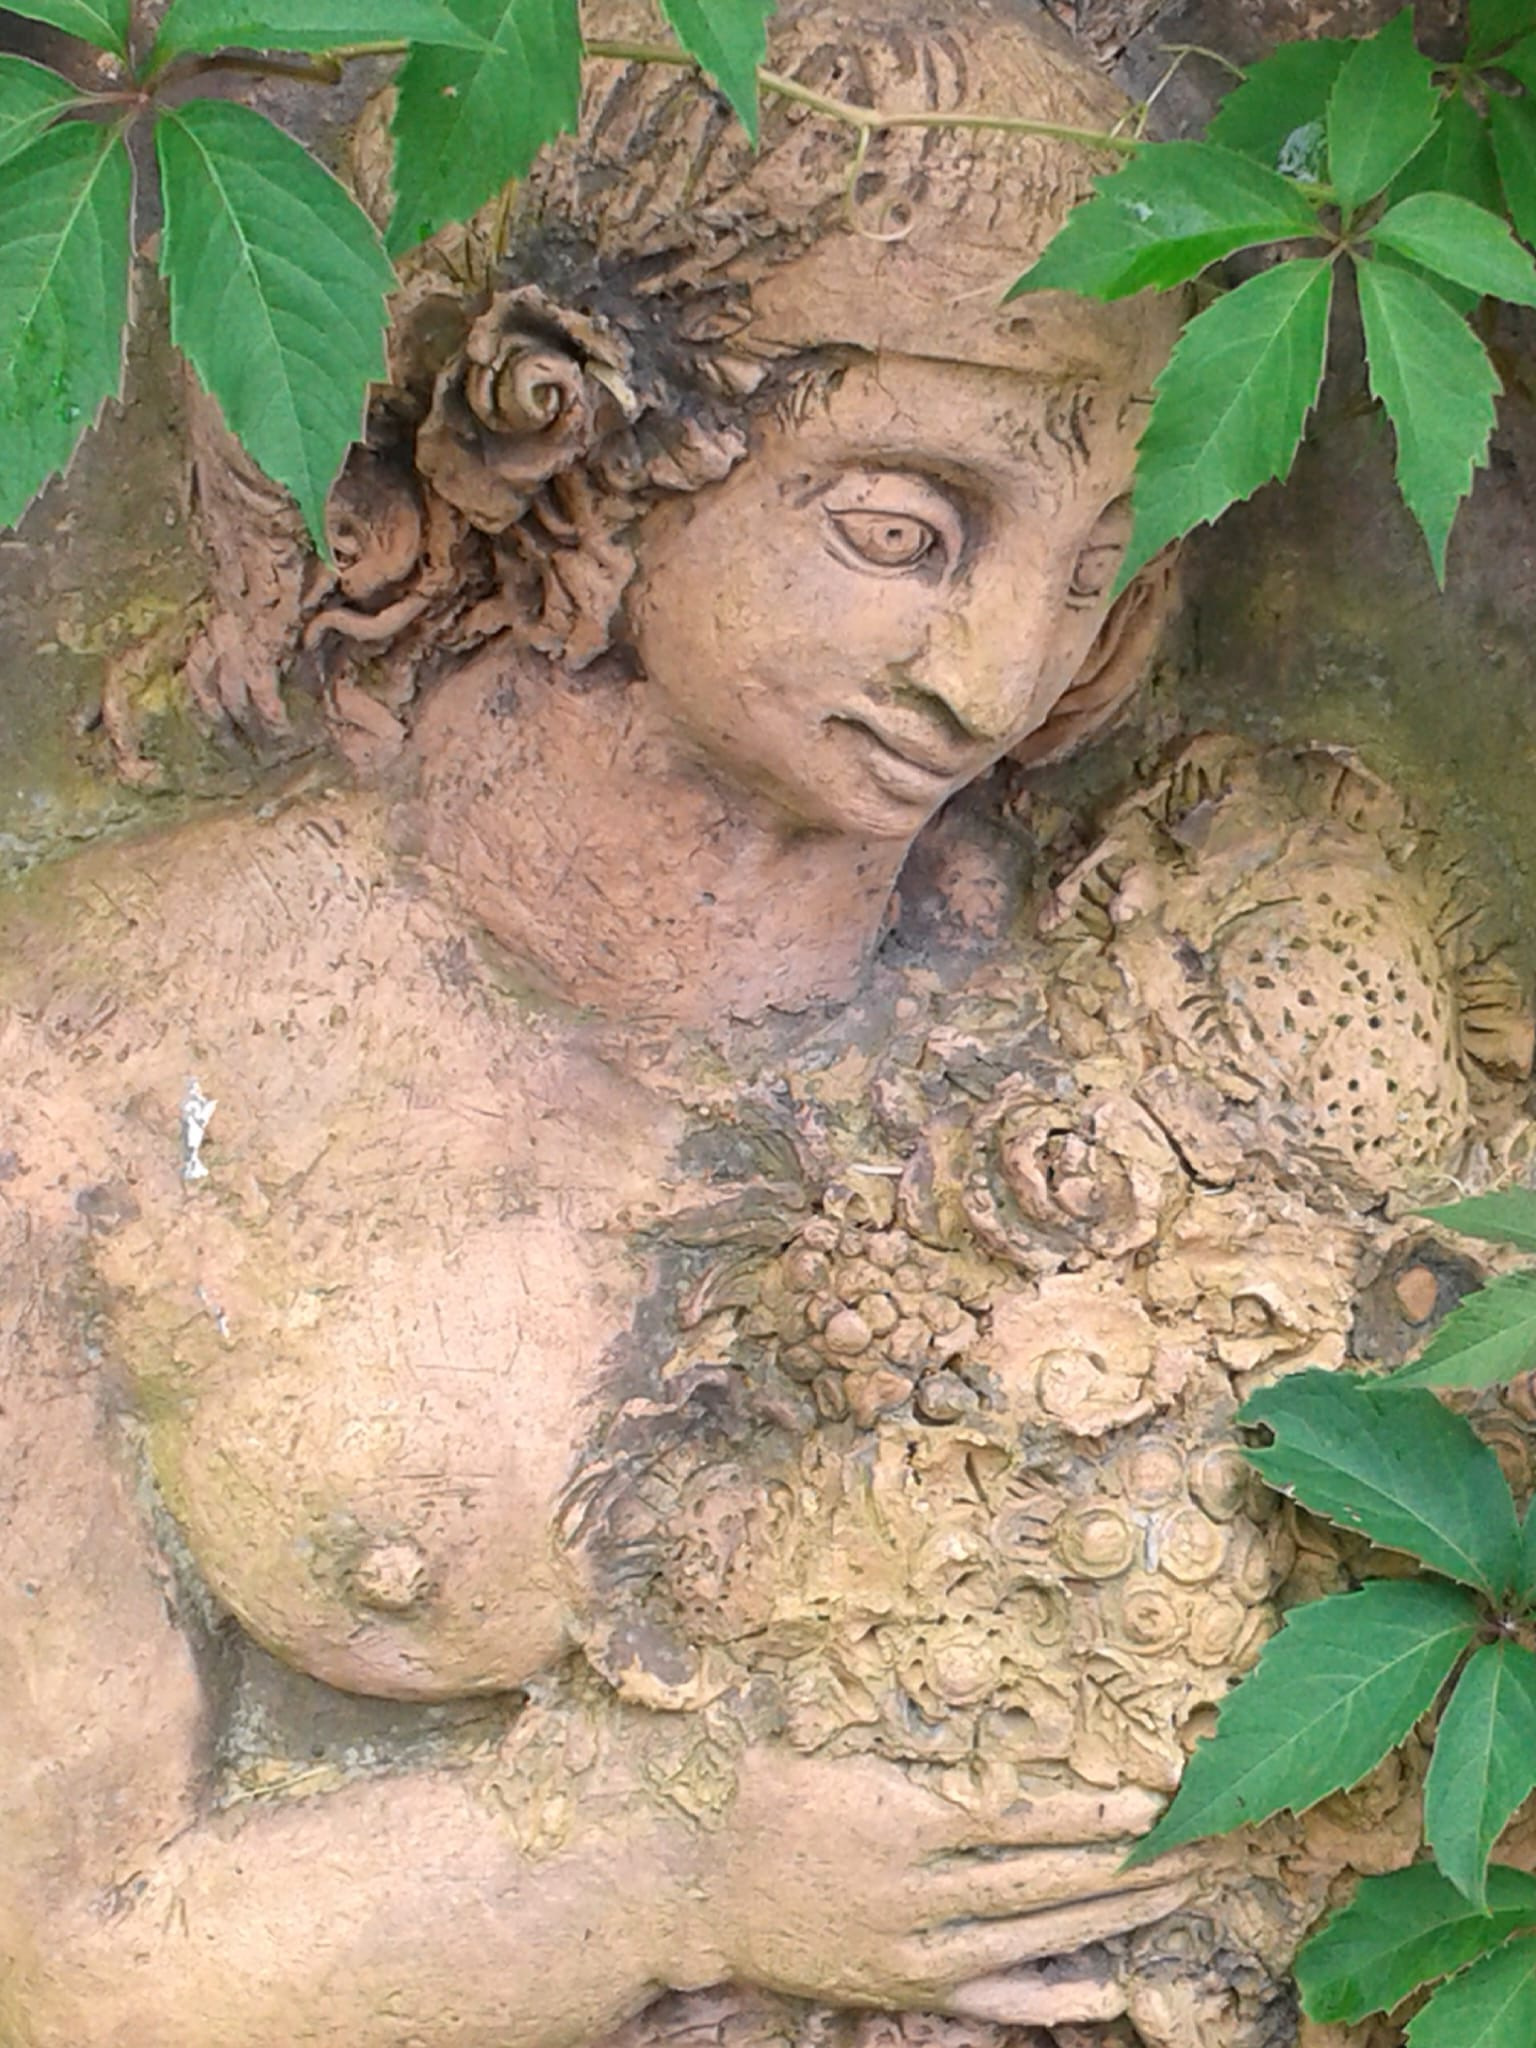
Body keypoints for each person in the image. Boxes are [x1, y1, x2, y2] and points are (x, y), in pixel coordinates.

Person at [0, 4, 1190, 2042]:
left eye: (1096, 563)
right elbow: (60, 1949)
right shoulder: (91, 1050)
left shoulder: (1153, 1016)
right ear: (567, 452)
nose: (998, 680)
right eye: (901, 535)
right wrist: (656, 1865)